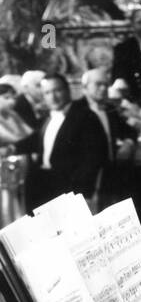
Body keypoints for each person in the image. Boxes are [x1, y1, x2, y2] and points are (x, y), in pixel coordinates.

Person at [15, 74, 107, 209]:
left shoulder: (86, 117)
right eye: (47, 92)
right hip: (42, 185)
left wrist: (83, 193)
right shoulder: (48, 117)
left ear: (67, 90)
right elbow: (36, 140)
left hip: (68, 188)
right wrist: (12, 148)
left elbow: (94, 159)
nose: (53, 97)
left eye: (57, 91)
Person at [72, 66, 137, 209]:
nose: (103, 88)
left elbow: (129, 131)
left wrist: (128, 143)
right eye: (98, 84)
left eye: (105, 85)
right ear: (85, 87)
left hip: (109, 178)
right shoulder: (74, 110)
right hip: (84, 183)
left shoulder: (109, 109)